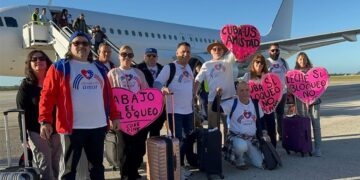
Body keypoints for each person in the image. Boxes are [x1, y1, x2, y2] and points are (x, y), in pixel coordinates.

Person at [38, 31, 120, 180]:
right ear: (70, 47)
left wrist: (114, 116)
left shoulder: (100, 68)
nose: (81, 46)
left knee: (97, 167)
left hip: (98, 126)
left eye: (85, 43)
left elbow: (109, 96)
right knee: (69, 169)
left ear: (90, 47)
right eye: (77, 43)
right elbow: (47, 95)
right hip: (72, 128)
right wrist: (45, 120)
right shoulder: (59, 68)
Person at [16, 50, 61, 180]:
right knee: (45, 164)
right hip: (36, 130)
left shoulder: (55, 81)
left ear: (47, 62)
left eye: (41, 58)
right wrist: (23, 138)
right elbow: (21, 113)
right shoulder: (26, 85)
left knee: (56, 164)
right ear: (29, 64)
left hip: (56, 129)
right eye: (34, 59)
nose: (38, 61)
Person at [107, 45, 149, 180]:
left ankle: (134, 171)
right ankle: (125, 174)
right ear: (119, 56)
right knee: (124, 146)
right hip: (120, 117)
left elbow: (146, 92)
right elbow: (107, 96)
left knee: (138, 145)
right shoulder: (113, 73)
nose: (127, 57)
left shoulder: (138, 73)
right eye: (124, 54)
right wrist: (110, 116)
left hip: (138, 116)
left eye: (130, 55)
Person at [154, 42, 194, 178]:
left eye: (188, 51)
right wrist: (162, 89)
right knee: (177, 141)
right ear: (177, 53)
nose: (186, 54)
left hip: (189, 111)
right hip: (174, 111)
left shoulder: (189, 67)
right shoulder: (169, 67)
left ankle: (180, 165)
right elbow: (157, 82)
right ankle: (176, 169)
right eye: (183, 51)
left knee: (188, 139)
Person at [215, 80, 269, 170]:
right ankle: (239, 159)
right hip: (237, 138)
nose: (244, 93)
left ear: (250, 91)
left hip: (251, 139)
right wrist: (218, 95)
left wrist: (265, 133)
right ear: (237, 92)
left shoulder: (255, 103)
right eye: (241, 90)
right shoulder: (232, 103)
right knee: (241, 146)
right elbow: (215, 108)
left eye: (247, 90)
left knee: (260, 164)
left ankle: (247, 154)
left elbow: (262, 120)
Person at [194, 41, 237, 140]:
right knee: (213, 128)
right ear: (211, 52)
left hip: (228, 99)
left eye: (219, 49)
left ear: (223, 51)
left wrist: (236, 35)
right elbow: (197, 80)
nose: (217, 51)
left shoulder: (228, 61)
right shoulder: (206, 64)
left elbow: (235, 49)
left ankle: (227, 147)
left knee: (229, 127)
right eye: (214, 49)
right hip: (212, 100)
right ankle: (215, 149)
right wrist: (193, 95)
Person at [290, 52, 322, 157]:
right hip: (300, 103)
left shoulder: (313, 72)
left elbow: (319, 86)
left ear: (307, 60)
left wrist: (313, 98)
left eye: (304, 59)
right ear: (297, 61)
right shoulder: (294, 74)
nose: (302, 61)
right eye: (300, 59)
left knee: (316, 125)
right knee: (303, 126)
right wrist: (291, 103)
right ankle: (306, 146)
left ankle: (318, 148)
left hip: (314, 102)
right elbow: (292, 90)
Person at [242, 54, 277, 148]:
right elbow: (242, 90)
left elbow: (275, 91)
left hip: (267, 106)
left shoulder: (268, 76)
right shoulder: (247, 76)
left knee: (271, 127)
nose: (259, 64)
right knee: (258, 127)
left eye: (262, 62)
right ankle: (260, 148)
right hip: (254, 107)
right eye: (257, 62)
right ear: (253, 63)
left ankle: (272, 149)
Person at [135, 48, 166, 137]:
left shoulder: (162, 69)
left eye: (154, 56)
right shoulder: (138, 68)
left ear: (157, 57)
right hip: (144, 105)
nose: (151, 57)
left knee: (156, 130)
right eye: (149, 55)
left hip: (159, 104)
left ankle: (154, 149)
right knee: (143, 131)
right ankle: (142, 150)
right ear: (144, 57)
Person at [266, 43, 289, 141]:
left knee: (280, 115)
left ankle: (281, 135)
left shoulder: (283, 62)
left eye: (277, 50)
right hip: (270, 94)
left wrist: (289, 89)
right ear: (269, 51)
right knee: (270, 116)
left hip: (282, 93)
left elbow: (288, 75)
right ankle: (271, 136)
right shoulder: (266, 62)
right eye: (273, 50)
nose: (275, 52)